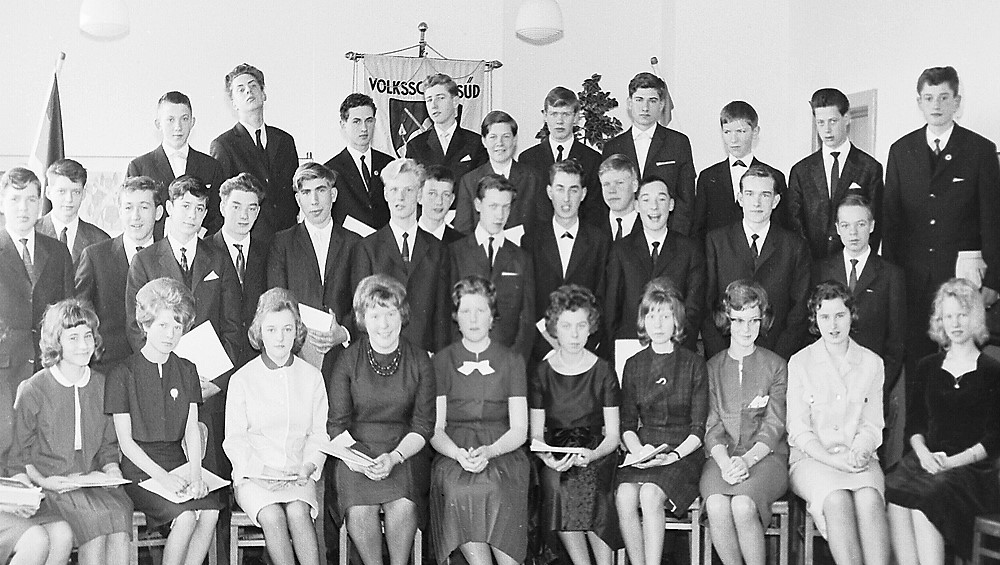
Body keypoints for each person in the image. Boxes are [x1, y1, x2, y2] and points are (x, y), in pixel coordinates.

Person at [882, 66, 1000, 400]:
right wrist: (891, 282)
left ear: (957, 102)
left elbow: (992, 221)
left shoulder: (980, 150)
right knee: (918, 367)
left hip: (962, 282)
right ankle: (917, 432)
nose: (936, 105)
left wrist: (993, 282)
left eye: (944, 97)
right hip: (913, 282)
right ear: (919, 102)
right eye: (929, 98)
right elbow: (891, 223)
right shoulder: (901, 151)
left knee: (964, 367)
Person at [125, 175, 242, 479]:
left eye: (200, 209)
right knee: (170, 479)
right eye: (186, 206)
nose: (192, 215)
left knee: (211, 480)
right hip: (164, 386)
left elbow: (233, 326)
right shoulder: (145, 261)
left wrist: (218, 381)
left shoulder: (219, 259)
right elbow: (136, 329)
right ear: (168, 208)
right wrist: (165, 377)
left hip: (209, 387)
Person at [106, 277, 222, 565]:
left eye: (177, 327)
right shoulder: (122, 373)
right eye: (162, 325)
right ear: (145, 325)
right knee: (185, 517)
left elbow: (191, 431)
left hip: (178, 464)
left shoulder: (187, 370)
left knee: (211, 512)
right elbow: (126, 443)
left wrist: (196, 476)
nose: (170, 335)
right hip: (141, 470)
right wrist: (163, 478)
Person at [9, 299, 132, 565]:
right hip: (50, 484)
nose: (84, 345)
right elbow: (19, 457)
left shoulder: (102, 385)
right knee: (95, 524)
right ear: (56, 342)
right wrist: (45, 481)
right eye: (73, 338)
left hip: (91, 479)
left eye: (88, 336)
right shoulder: (34, 389)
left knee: (121, 515)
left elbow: (108, 446)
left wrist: (112, 470)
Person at [885, 278, 1000, 564]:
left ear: (976, 317)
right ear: (940, 321)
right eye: (948, 316)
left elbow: (993, 439)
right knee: (895, 491)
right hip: (928, 461)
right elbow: (915, 426)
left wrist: (951, 462)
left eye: (962, 314)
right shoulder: (927, 367)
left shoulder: (992, 371)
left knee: (926, 499)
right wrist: (924, 454)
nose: (955, 323)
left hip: (972, 470)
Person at [327, 274, 435, 565]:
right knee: (360, 511)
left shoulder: (420, 360)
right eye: (375, 315)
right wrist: (361, 460)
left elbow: (423, 425)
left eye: (390, 313)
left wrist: (394, 457)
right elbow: (336, 424)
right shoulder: (347, 360)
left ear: (402, 315)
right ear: (363, 319)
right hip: (355, 455)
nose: (384, 324)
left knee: (403, 508)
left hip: (403, 453)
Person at [224, 288, 329, 565]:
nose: (280, 338)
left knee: (298, 512)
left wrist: (307, 467)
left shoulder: (312, 377)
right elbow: (235, 440)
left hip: (298, 473)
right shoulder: (242, 379)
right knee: (272, 515)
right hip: (255, 477)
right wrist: (262, 473)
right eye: (271, 330)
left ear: (297, 331)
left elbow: (319, 434)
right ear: (259, 332)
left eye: (287, 329)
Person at [786, 281, 888, 565]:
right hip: (812, 460)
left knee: (869, 499)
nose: (833, 325)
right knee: (836, 499)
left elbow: (872, 424)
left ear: (851, 315)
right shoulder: (800, 362)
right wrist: (831, 460)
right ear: (815, 320)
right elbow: (798, 428)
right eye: (825, 317)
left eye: (840, 315)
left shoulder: (872, 363)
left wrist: (861, 451)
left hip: (859, 459)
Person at [429, 276, 529, 565]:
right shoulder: (442, 361)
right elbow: (436, 428)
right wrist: (457, 454)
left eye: (481, 310)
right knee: (459, 490)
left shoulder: (512, 360)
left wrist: (491, 451)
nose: (473, 319)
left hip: (502, 449)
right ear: (456, 317)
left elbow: (520, 428)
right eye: (466, 311)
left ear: (492, 316)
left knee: (496, 489)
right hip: (455, 450)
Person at [616, 279, 708, 565]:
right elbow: (627, 425)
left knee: (650, 494)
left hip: (683, 452)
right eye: (652, 315)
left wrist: (673, 456)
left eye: (666, 316)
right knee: (624, 496)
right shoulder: (633, 364)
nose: (658, 324)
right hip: (644, 450)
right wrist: (639, 452)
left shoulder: (694, 363)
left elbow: (698, 429)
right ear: (643, 320)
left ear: (676, 321)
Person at [530, 285, 622, 565]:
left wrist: (593, 455)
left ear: (590, 327)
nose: (574, 334)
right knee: (556, 484)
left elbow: (613, 435)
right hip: (556, 450)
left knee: (590, 484)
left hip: (596, 449)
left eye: (581, 325)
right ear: (554, 328)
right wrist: (547, 457)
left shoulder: (603, 370)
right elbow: (536, 434)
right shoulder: (541, 372)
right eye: (566, 326)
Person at [700, 280, 788, 565]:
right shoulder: (711, 367)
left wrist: (747, 461)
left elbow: (774, 425)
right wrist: (726, 463)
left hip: (766, 458)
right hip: (721, 459)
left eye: (753, 320)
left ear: (763, 321)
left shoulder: (776, 366)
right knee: (716, 504)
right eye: (738, 320)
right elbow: (712, 427)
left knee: (742, 505)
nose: (746, 329)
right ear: (727, 320)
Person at [813, 195, 906, 464]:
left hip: (870, 391)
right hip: (828, 390)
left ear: (872, 226)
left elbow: (896, 343)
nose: (853, 233)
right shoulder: (821, 270)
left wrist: (875, 386)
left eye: (860, 224)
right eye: (846, 225)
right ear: (837, 228)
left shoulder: (891, 275)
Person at [703, 164, 810, 360]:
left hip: (777, 355)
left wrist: (777, 359)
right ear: (740, 198)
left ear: (776, 201)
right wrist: (722, 357)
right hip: (726, 355)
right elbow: (708, 306)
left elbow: (799, 311)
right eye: (750, 194)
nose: (757, 202)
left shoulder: (794, 246)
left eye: (765, 195)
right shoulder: (717, 241)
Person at [267, 162, 358, 377]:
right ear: (298, 199)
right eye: (306, 193)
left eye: (321, 190)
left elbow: (362, 301)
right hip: (296, 355)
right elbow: (277, 299)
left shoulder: (355, 243)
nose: (314, 201)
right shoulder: (282, 243)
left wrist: (344, 333)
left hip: (344, 355)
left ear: (333, 195)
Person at [352, 158, 451, 353]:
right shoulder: (367, 249)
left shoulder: (438, 249)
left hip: (426, 356)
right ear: (385, 194)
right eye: (394, 190)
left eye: (408, 190)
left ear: (420, 195)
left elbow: (443, 315)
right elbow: (361, 314)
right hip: (381, 356)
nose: (401, 197)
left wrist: (438, 358)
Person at [522, 160, 611, 361]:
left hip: (586, 348)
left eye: (573, 190)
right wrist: (548, 344)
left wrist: (582, 344)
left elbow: (602, 297)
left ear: (583, 193)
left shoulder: (600, 241)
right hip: (542, 350)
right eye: (560, 189)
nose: (566, 198)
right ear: (549, 192)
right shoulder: (530, 240)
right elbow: (528, 299)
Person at [605, 177, 705, 351]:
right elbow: (612, 308)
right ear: (636, 206)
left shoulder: (689, 250)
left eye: (661, 199)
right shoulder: (621, 250)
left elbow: (693, 309)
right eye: (646, 200)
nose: (654, 207)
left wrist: (676, 348)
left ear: (671, 204)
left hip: (676, 348)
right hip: (630, 347)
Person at [76, 176, 164, 371]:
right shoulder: (95, 256)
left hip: (159, 367)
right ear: (120, 211)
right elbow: (81, 315)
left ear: (158, 212)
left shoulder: (169, 256)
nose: (135, 216)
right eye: (128, 207)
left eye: (144, 207)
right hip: (107, 368)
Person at [786, 88, 884, 261]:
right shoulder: (801, 171)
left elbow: (876, 222)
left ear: (847, 118)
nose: (827, 130)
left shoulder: (869, 167)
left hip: (852, 264)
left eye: (833, 121)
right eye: (820, 122)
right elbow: (795, 224)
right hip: (812, 265)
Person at [0, 167, 74, 395]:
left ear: (41, 203)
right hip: (4, 375)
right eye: (15, 199)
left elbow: (68, 313)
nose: (23, 208)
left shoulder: (58, 252)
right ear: (2, 203)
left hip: (49, 371)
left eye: (31, 199)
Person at [449, 174, 535, 361]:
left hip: (507, 361)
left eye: (506, 207)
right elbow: (447, 313)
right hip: (463, 360)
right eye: (493, 206)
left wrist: (513, 362)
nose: (500, 215)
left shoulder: (522, 258)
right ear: (478, 205)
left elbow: (527, 320)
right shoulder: (455, 252)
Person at [211, 63, 300, 237]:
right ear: (233, 103)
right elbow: (220, 203)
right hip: (249, 240)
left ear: (263, 93)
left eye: (253, 86)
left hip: (287, 238)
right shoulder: (223, 145)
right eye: (241, 89)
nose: (248, 91)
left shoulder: (285, 140)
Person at [602, 73, 696, 236]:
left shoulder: (678, 142)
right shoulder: (612, 147)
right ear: (629, 103)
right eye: (639, 100)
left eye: (652, 101)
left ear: (661, 105)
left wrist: (674, 239)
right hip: (625, 237)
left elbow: (686, 200)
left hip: (667, 234)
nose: (645, 108)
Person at [127, 91, 225, 239]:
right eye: (170, 120)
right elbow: (135, 215)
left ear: (192, 122)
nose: (178, 127)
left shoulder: (211, 166)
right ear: (158, 124)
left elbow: (217, 215)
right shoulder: (139, 167)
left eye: (184, 119)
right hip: (155, 247)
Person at [0, 375, 73, 565]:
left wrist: (24, 495)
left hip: (6, 493)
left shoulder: (3, 385)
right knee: (35, 540)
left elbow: (13, 456)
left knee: (61, 534)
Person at [692, 101, 787, 243]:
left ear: (755, 132)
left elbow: (781, 228)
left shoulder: (774, 176)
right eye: (727, 132)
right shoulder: (708, 177)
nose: (733, 139)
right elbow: (699, 230)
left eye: (741, 131)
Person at [516, 86, 604, 224]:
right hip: (539, 234)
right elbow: (525, 208)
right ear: (545, 116)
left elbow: (594, 209)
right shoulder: (528, 159)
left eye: (566, 114)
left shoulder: (593, 159)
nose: (559, 121)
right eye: (554, 114)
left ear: (576, 117)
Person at [210, 173, 270, 368]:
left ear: (258, 211)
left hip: (258, 359)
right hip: (217, 360)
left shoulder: (269, 252)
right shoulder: (204, 251)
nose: (244, 216)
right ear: (222, 208)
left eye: (251, 208)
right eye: (236, 207)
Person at [454, 110, 545, 234]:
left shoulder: (533, 178)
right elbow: (462, 233)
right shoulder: (469, 181)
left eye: (506, 136)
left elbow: (542, 228)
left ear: (514, 140)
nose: (500, 143)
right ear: (484, 141)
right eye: (493, 137)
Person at [325, 93, 393, 232]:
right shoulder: (330, 169)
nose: (364, 128)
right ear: (343, 125)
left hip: (384, 242)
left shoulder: (389, 164)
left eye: (369, 121)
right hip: (349, 244)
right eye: (356, 121)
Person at [406, 73, 487, 182]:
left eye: (440, 98)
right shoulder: (415, 145)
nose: (434, 105)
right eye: (429, 100)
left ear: (455, 102)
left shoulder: (476, 143)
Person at [35, 159, 110, 264]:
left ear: (83, 194)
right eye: (62, 191)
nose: (69, 199)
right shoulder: (32, 233)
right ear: (48, 193)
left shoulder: (100, 240)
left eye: (76, 192)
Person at [598, 155, 640, 243]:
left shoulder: (650, 225)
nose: (612, 190)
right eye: (606, 184)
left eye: (619, 183)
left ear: (634, 186)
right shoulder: (592, 228)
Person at [417, 165, 464, 244]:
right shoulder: (405, 238)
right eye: (432, 194)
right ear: (419, 196)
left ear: (451, 200)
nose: (439, 201)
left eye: (446, 195)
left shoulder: (461, 244)